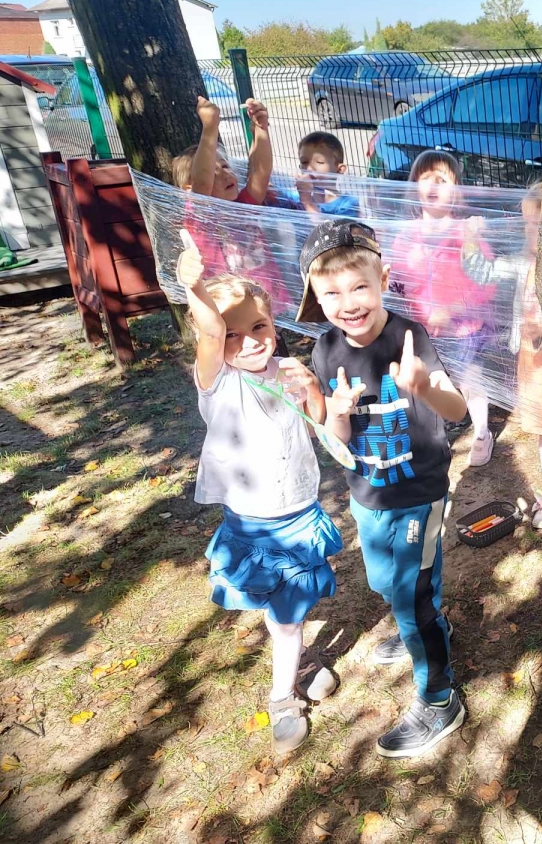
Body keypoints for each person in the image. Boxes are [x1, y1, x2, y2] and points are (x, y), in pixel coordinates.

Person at [296, 218, 469, 760]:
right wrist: (336, 413)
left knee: (411, 597)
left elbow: (456, 409)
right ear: (315, 296)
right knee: (385, 584)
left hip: (418, 493)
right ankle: (425, 621)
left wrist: (423, 387)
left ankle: (439, 700)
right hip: (366, 493)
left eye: (359, 287)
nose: (348, 303)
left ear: (384, 280)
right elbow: (338, 436)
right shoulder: (325, 349)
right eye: (332, 293)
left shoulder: (410, 338)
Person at [177, 234, 342, 756]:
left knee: (289, 614)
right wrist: (194, 288)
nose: (249, 342)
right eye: (233, 334)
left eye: (259, 327)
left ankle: (288, 678)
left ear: (273, 325)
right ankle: (287, 687)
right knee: (283, 614)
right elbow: (210, 329)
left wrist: (312, 389)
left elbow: (318, 422)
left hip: (299, 517)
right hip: (252, 525)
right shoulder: (219, 382)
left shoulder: (287, 371)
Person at [388, 150, 496, 466]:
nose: (434, 184)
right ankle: (435, 436)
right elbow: (398, 281)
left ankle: (481, 431)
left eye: (442, 179)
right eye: (426, 178)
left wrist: (452, 309)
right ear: (414, 187)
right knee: (430, 382)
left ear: (457, 192)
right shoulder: (405, 236)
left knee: (470, 378)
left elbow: (485, 281)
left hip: (463, 328)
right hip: (422, 330)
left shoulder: (467, 233)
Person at [460, 181, 542, 528]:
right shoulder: (522, 264)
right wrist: (470, 239)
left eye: (539, 225)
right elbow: (482, 271)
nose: (532, 232)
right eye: (527, 224)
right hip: (532, 365)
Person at [171, 96, 290, 313]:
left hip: (269, 307)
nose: (225, 174)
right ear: (189, 190)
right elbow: (202, 183)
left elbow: (260, 173)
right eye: (214, 172)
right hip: (229, 312)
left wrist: (261, 129)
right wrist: (210, 128)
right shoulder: (199, 218)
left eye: (225, 166)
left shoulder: (243, 205)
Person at [276, 131, 361, 217]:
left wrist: (306, 201)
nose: (309, 168)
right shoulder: (295, 197)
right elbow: (274, 192)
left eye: (320, 162)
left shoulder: (347, 204)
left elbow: (324, 226)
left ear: (339, 169)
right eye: (304, 162)